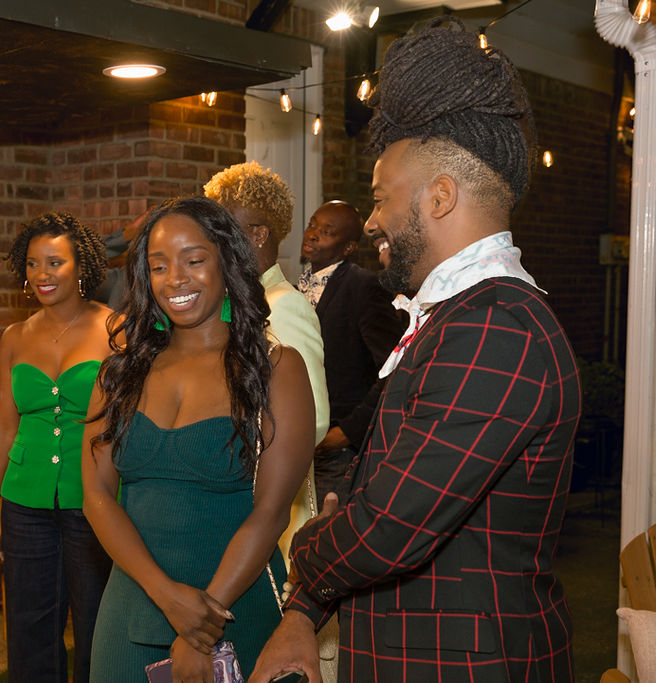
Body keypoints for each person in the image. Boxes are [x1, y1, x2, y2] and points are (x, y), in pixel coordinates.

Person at [250, 18, 581, 683]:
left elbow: (387, 525)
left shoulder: (498, 327)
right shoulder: (458, 317)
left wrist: (306, 548)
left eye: (380, 199)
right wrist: (305, 611)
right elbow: (376, 492)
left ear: (440, 196)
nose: (371, 220)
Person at [81, 197, 316, 682]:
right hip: (130, 611)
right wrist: (166, 595)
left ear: (227, 263)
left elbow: (271, 512)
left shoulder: (276, 370)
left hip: (236, 610)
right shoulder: (119, 373)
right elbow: (97, 496)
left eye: (193, 260)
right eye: (159, 266)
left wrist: (199, 628)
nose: (175, 279)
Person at [0, 211, 114, 683]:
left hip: (92, 501)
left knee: (96, 624)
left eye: (55, 262)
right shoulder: (15, 337)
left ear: (82, 267)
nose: (42, 274)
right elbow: (2, 427)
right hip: (23, 502)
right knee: (29, 629)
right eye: (33, 263)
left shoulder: (116, 329)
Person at [202, 162, 330, 543]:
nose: (211, 241)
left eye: (222, 230)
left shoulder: (283, 306)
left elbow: (314, 421)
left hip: (270, 506)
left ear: (257, 234)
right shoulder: (231, 305)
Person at [297, 200, 404, 499]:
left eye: (327, 231)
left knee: (329, 524)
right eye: (312, 224)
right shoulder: (296, 286)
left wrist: (346, 433)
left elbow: (394, 366)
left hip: (337, 450)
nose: (313, 234)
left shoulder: (364, 286)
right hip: (299, 444)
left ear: (348, 248)